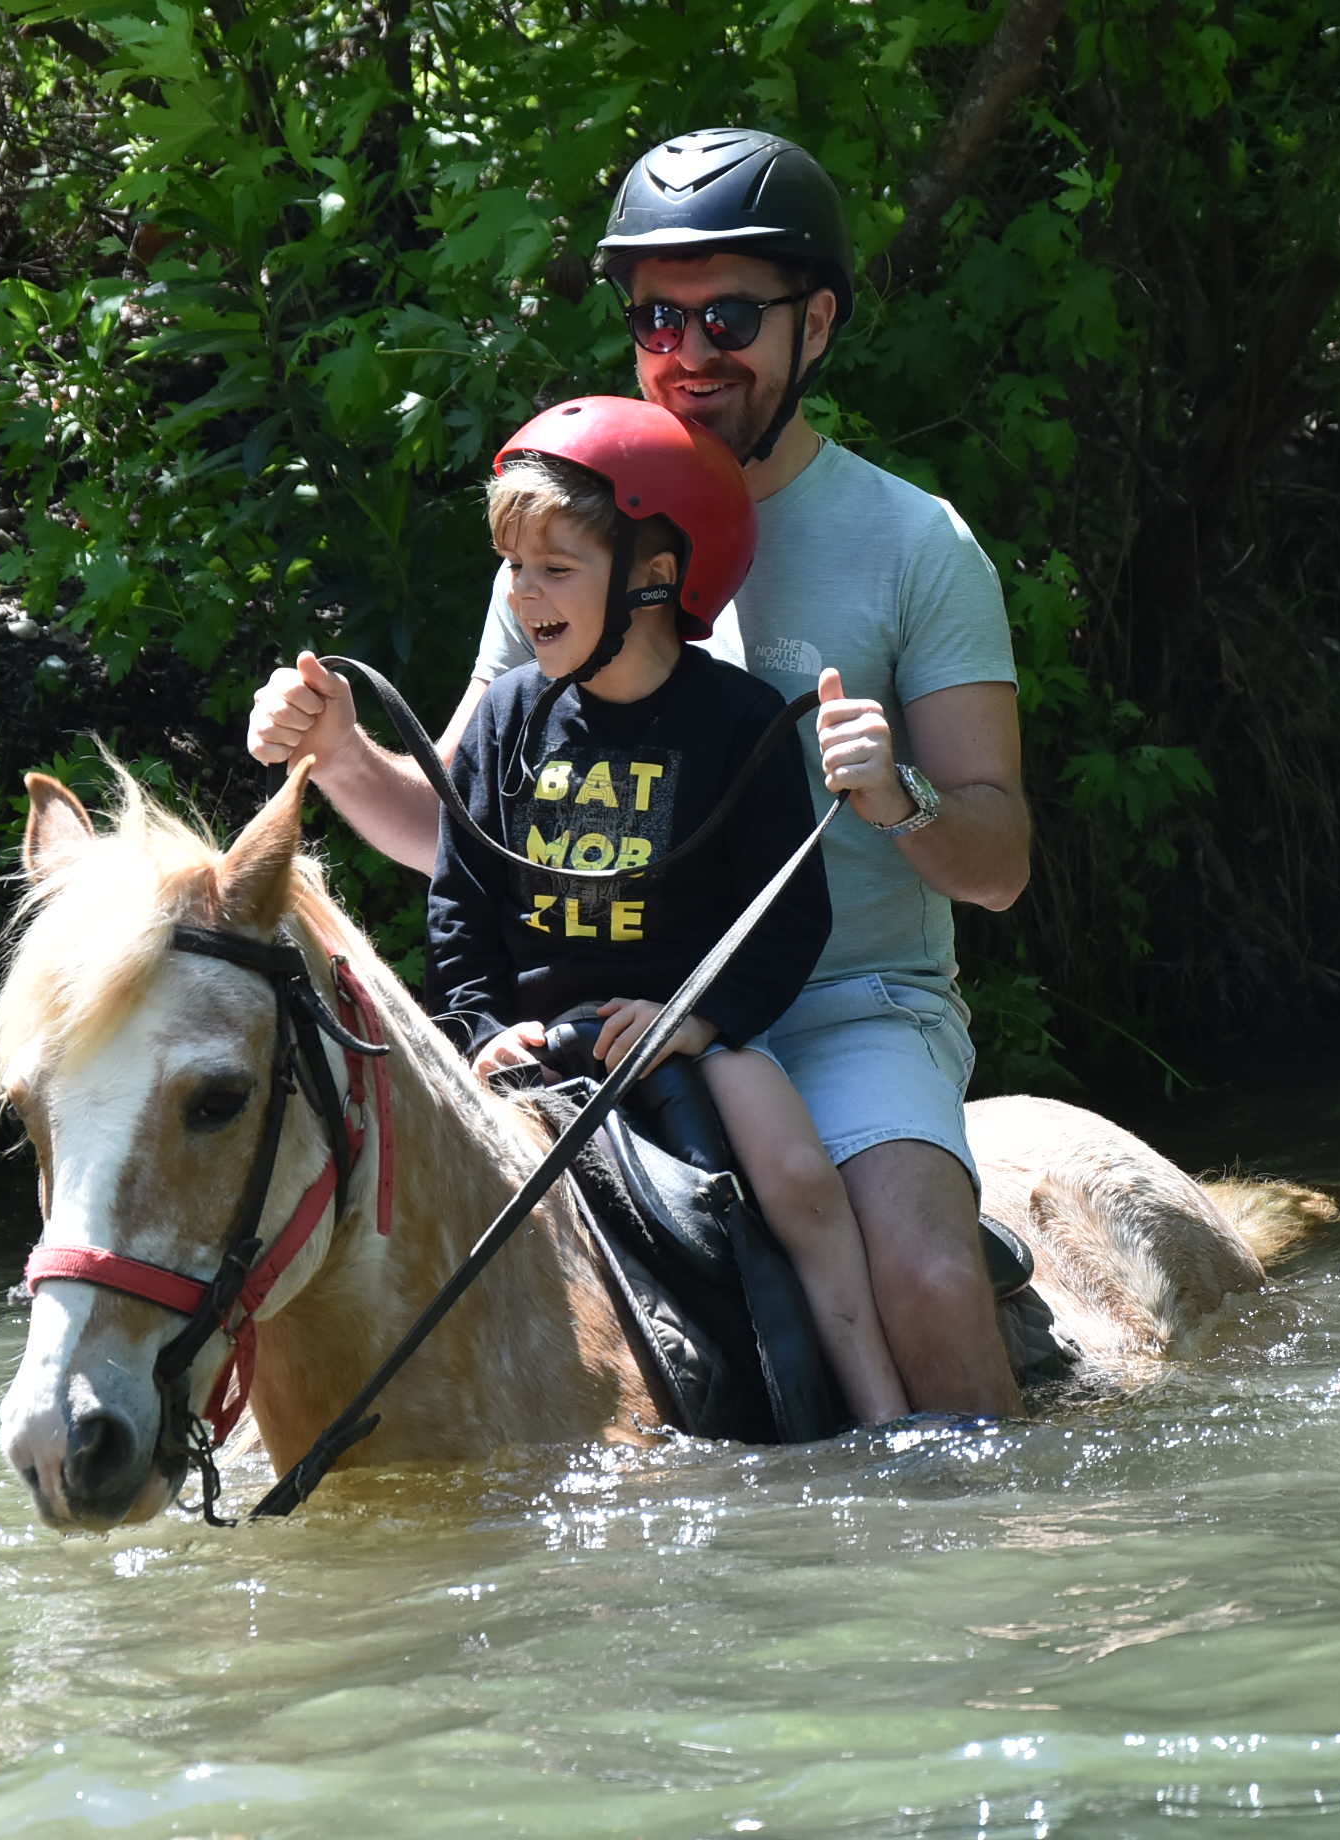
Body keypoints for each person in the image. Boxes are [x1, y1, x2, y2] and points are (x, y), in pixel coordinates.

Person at [250, 126, 1032, 1417]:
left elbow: (998, 868)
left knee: (930, 1279)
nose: (689, 353)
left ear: (817, 323)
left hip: (843, 1006)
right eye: (656, 320)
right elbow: (454, 836)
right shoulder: (569, 533)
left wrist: (899, 799)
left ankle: (981, 1539)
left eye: (729, 314)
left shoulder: (914, 541)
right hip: (594, 1011)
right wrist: (336, 753)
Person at [430, 396, 906, 1425]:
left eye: (555, 568)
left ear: (654, 576)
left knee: (793, 1174)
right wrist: (479, 1025)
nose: (524, 593)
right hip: (533, 1039)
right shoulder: (507, 714)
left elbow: (788, 917)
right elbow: (457, 901)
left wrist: (697, 1016)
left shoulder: (734, 720)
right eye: (514, 566)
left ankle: (880, 1412)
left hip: (683, 1032)